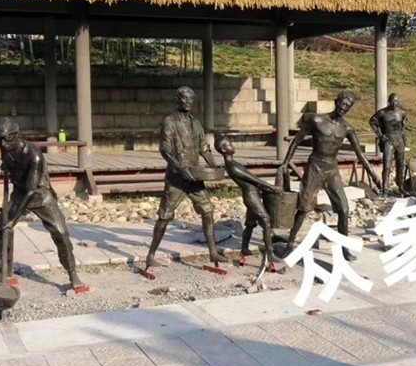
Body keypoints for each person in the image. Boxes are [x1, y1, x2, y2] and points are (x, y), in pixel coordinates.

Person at [0, 117, 84, 290]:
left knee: (60, 233)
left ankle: (72, 273)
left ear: (16, 135)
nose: (2, 144)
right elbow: (14, 170)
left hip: (40, 196)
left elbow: (31, 190)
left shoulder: (34, 155)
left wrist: (12, 220)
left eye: (6, 139)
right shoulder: (5, 148)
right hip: (19, 194)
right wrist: (7, 168)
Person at [277, 91, 381, 261]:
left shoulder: (347, 128)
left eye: (347, 106)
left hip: (332, 169)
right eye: (342, 103)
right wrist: (285, 162)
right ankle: (289, 245)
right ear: (335, 101)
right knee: (303, 208)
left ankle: (344, 248)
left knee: (344, 209)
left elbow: (360, 155)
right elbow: (297, 140)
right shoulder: (316, 120)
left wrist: (374, 175)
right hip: (315, 166)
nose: (343, 107)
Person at [147, 86, 225, 269]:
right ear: (177, 100)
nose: (188, 102)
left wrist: (214, 165)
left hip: (194, 177)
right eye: (185, 98)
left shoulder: (196, 123)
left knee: (207, 210)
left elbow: (204, 148)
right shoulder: (169, 122)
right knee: (165, 216)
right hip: (177, 178)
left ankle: (212, 251)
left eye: (191, 99)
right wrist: (180, 168)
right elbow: (165, 150)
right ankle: (150, 255)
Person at [215, 136, 280, 265]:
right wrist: (270, 186)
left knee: (250, 223)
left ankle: (244, 248)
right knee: (266, 220)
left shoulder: (234, 163)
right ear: (224, 149)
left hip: (252, 194)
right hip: (251, 196)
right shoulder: (232, 166)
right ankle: (270, 253)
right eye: (230, 144)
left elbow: (252, 179)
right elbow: (253, 179)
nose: (233, 146)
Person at [369, 93, 408, 193]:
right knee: (387, 165)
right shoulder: (382, 112)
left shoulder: (402, 112)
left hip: (399, 140)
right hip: (389, 140)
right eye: (392, 101)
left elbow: (404, 127)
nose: (394, 103)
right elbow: (372, 122)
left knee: (401, 164)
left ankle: (401, 186)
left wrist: (405, 140)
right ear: (389, 101)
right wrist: (380, 135)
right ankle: (385, 188)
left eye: (396, 101)